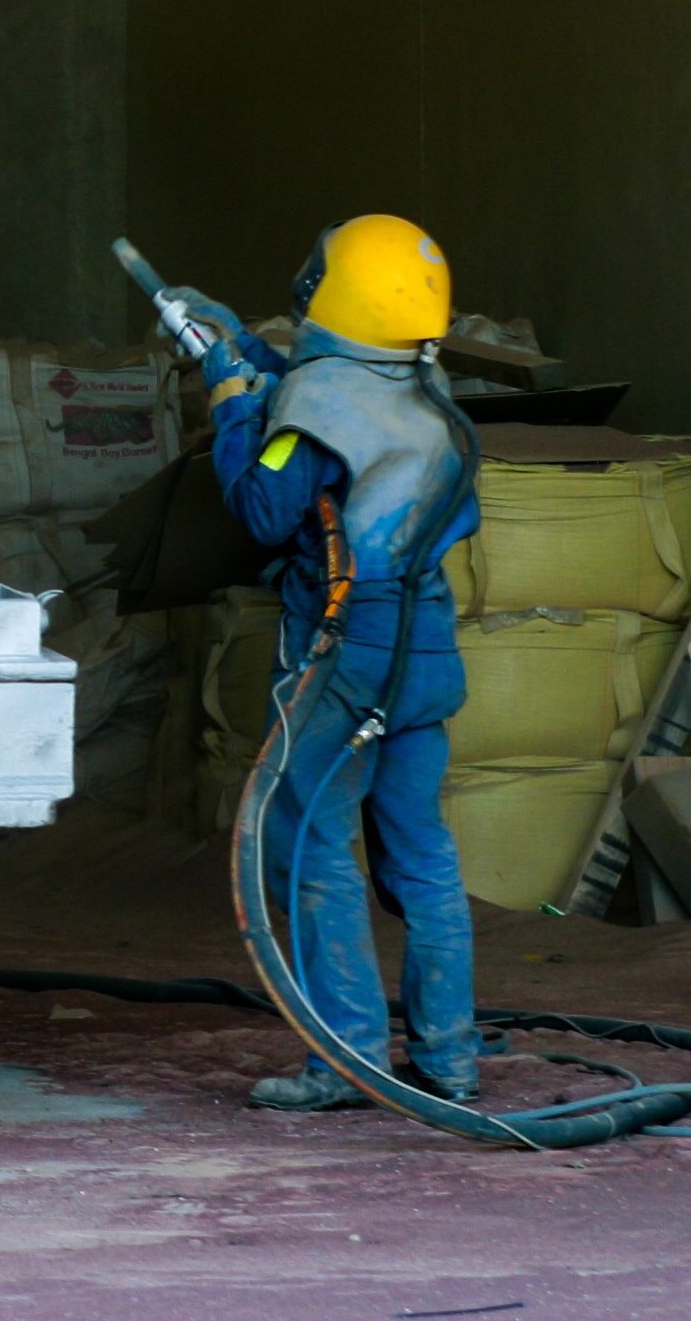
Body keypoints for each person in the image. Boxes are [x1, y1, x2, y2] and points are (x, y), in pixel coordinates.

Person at [185, 215, 484, 1113]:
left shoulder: (313, 405)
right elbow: (336, 425)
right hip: (423, 647)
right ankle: (450, 1060)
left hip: (344, 651)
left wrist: (233, 399)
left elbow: (265, 501)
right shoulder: (430, 396)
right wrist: (237, 345)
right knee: (423, 855)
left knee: (311, 842)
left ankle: (345, 1059)